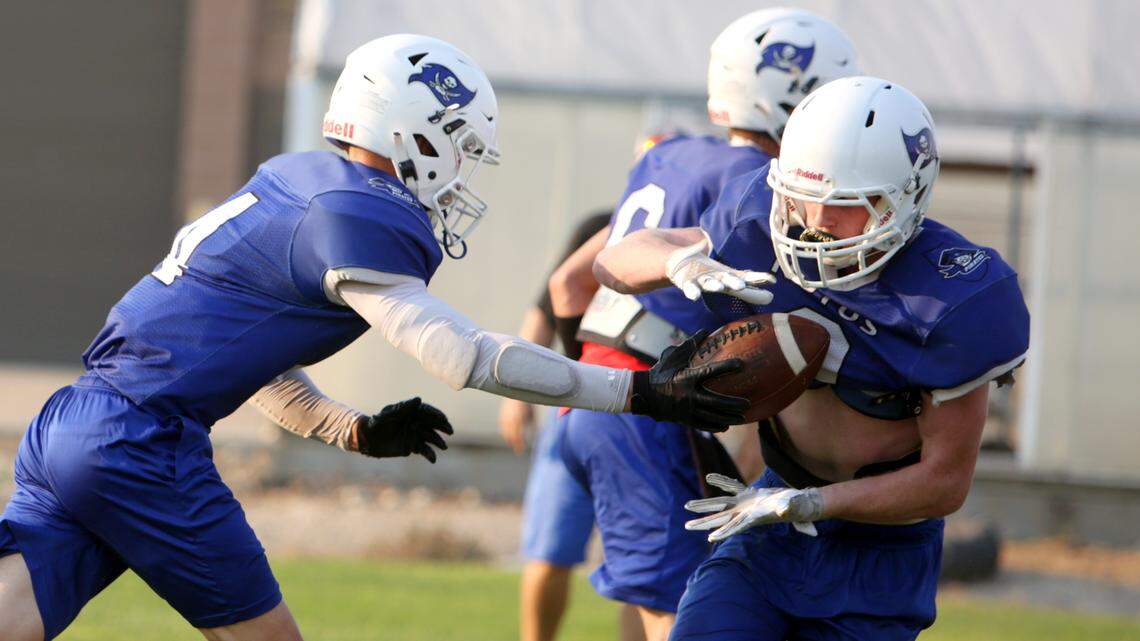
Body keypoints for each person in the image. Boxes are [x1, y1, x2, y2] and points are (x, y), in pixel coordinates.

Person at [0, 35, 746, 641]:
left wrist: (350, 428)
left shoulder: (295, 180)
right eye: (457, 144)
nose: (459, 175)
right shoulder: (359, 213)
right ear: (414, 131)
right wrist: (639, 390)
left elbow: (250, 364)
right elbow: (467, 356)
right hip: (144, 446)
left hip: (74, 424)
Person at [593, 76, 1030, 641]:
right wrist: (679, 263)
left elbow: (945, 482)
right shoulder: (756, 222)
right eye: (804, 196)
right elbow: (614, 263)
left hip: (879, 554)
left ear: (904, 195)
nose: (817, 222)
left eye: (844, 205)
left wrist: (813, 504)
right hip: (770, 512)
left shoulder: (953, 299)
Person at [547, 10, 861, 641]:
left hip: (595, 397)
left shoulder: (670, 156)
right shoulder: (757, 185)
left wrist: (590, 389)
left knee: (650, 591)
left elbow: (569, 284)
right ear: (795, 98)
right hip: (650, 409)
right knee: (689, 613)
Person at [495, 212, 645, 641]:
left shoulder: (687, 231)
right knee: (551, 553)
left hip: (635, 413)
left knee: (642, 568)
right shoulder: (607, 224)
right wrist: (516, 394)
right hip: (587, 407)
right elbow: (549, 301)